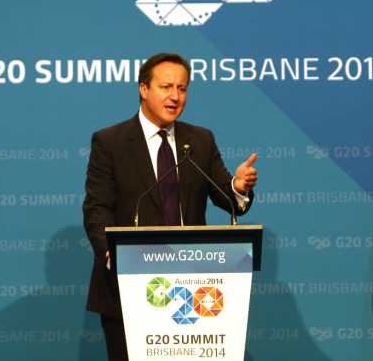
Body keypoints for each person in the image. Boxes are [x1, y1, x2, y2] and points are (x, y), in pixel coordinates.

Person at [82, 53, 258, 360]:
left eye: (182, 88)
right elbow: (97, 207)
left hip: (191, 288)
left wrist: (237, 187)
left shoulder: (200, 140)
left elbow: (225, 197)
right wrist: (109, 251)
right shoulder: (110, 142)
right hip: (130, 286)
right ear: (143, 89)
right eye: (166, 87)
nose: (175, 97)